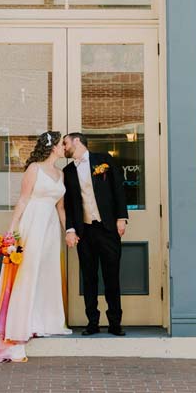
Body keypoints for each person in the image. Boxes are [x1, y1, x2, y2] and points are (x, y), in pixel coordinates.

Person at [0, 131, 71, 362]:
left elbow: (61, 208)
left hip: (51, 226)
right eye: (62, 144)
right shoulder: (34, 169)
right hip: (32, 222)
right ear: (52, 147)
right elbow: (23, 199)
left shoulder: (61, 174)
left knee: (47, 271)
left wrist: (68, 232)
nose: (65, 148)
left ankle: (47, 320)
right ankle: (24, 321)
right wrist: (12, 230)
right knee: (28, 272)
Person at [62, 132, 128, 336]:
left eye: (65, 143)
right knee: (89, 279)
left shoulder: (104, 160)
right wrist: (70, 229)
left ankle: (115, 323)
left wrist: (121, 217)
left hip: (108, 229)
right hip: (85, 231)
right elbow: (70, 205)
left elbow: (118, 188)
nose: (63, 148)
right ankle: (92, 323)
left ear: (76, 141)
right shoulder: (67, 171)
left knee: (111, 278)